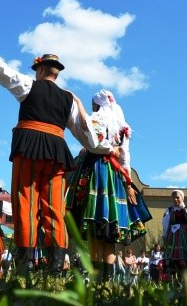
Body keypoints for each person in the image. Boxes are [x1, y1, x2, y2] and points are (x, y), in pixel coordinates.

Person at [0, 19, 106, 274]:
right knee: (54, 208)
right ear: (56, 72)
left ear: (39, 70)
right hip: (57, 154)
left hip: (28, 148)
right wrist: (105, 150)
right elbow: (86, 135)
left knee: (25, 202)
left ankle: (26, 263)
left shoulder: (29, 85)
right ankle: (56, 264)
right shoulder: (70, 99)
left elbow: (1, 70)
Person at [66, 90, 152, 282]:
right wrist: (128, 183)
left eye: (92, 104)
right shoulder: (122, 126)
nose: (92, 108)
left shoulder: (97, 117)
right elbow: (125, 157)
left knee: (96, 228)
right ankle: (108, 279)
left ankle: (97, 278)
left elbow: (92, 139)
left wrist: (78, 105)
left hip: (97, 170)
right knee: (109, 234)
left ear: (97, 105)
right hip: (115, 176)